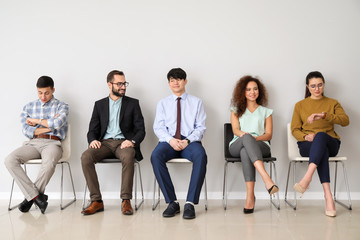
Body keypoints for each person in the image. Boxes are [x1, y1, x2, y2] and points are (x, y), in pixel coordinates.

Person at [81, 70, 145, 216]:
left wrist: (132, 141)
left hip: (123, 143)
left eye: (124, 83)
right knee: (86, 157)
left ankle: (126, 200)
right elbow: (92, 130)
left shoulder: (133, 103)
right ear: (109, 84)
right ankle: (96, 201)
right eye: (119, 84)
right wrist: (93, 141)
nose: (123, 87)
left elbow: (141, 130)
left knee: (129, 156)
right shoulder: (99, 105)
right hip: (104, 143)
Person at [5, 76, 69, 214]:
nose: (43, 96)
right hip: (33, 143)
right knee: (9, 160)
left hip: (53, 143)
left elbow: (58, 124)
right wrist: (48, 125)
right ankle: (37, 197)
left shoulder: (62, 106)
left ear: (53, 90)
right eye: (40, 93)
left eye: (46, 92)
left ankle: (29, 198)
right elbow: (26, 130)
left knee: (49, 161)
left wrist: (36, 121)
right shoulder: (28, 107)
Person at [151, 68, 207, 220]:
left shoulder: (197, 102)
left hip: (189, 141)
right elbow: (158, 127)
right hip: (169, 141)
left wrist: (187, 140)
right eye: (172, 80)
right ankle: (172, 202)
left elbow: (201, 127)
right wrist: (171, 140)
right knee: (155, 156)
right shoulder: (162, 103)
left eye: (179, 79)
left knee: (201, 155)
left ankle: (190, 203)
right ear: (169, 83)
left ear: (185, 81)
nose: (176, 82)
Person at [291, 71, 349, 217]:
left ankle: (307, 177)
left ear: (324, 85)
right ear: (307, 87)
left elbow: (345, 121)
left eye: (320, 85)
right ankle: (328, 196)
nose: (317, 89)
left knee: (321, 136)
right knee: (320, 148)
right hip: (307, 145)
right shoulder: (300, 105)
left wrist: (324, 115)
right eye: (313, 86)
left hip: (331, 143)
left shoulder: (333, 103)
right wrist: (305, 135)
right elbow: (294, 129)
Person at [229, 75, 279, 214]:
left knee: (246, 150)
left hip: (261, 146)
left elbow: (268, 134)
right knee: (246, 140)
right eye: (248, 89)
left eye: (255, 89)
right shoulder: (235, 110)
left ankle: (250, 196)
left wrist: (252, 139)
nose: (252, 92)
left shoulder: (266, 112)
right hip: (237, 144)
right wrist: (248, 138)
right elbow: (235, 130)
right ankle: (266, 178)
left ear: (259, 91)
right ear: (243, 92)